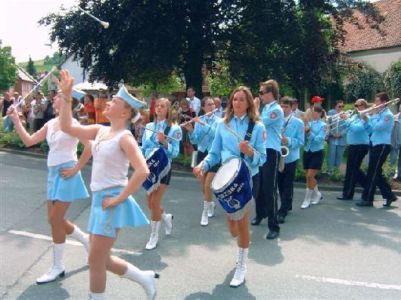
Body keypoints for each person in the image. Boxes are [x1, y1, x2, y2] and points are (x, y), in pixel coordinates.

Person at [57, 70, 158, 300]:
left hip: (110, 201)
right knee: (101, 258)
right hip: (99, 200)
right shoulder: (101, 130)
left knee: (95, 260)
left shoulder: (125, 137)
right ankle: (143, 277)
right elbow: (67, 127)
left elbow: (142, 171)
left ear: (124, 112)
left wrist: (118, 199)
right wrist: (65, 97)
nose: (109, 102)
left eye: (115, 100)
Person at [6, 87, 91, 285]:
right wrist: (17, 121)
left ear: (67, 101)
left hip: (67, 171)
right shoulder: (51, 124)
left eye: (58, 97)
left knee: (55, 219)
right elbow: (29, 141)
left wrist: (76, 168)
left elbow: (89, 147)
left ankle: (57, 266)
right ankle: (85, 239)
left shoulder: (73, 124)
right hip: (53, 173)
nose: (53, 100)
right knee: (54, 220)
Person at [193, 86, 266, 287]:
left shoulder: (257, 127)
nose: (237, 103)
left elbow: (263, 157)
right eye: (235, 99)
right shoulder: (223, 125)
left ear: (249, 103)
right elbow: (214, 152)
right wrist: (203, 165)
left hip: (249, 178)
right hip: (226, 180)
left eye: (242, 99)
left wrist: (249, 151)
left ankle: (242, 265)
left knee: (242, 222)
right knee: (232, 226)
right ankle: (240, 243)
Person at [141, 98, 182, 250]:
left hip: (164, 168)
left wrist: (164, 142)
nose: (159, 108)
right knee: (150, 203)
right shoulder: (149, 126)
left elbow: (175, 152)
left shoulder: (174, 129)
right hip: (149, 167)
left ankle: (153, 236)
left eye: (162, 106)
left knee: (156, 201)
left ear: (168, 110)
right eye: (157, 106)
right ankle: (166, 217)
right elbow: (144, 146)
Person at [253, 79, 284, 240]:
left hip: (271, 151)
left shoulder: (276, 110)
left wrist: (255, 108)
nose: (260, 95)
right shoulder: (266, 108)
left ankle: (274, 226)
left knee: (269, 189)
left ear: (270, 93)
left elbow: (260, 124)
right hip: (260, 151)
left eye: (262, 92)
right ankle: (260, 214)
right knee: (258, 185)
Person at [356, 92, 398, 207]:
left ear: (384, 102)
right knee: (376, 172)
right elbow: (370, 130)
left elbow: (377, 127)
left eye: (378, 101)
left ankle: (367, 199)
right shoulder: (378, 114)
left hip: (383, 146)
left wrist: (371, 116)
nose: (375, 104)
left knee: (372, 173)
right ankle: (389, 195)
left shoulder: (387, 115)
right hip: (375, 144)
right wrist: (365, 119)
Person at [184, 96, 221, 226]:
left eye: (213, 105)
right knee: (203, 184)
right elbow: (195, 140)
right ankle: (210, 203)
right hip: (201, 153)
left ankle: (205, 212)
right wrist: (191, 131)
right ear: (204, 108)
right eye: (209, 105)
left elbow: (215, 135)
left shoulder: (219, 121)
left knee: (207, 185)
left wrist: (202, 124)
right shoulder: (201, 120)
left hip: (214, 154)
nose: (212, 107)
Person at [277, 97, 304, 223]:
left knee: (287, 184)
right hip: (277, 156)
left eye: (286, 107)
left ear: (291, 107)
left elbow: (301, 141)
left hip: (291, 157)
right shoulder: (275, 121)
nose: (283, 109)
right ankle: (288, 204)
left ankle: (283, 210)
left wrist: (288, 140)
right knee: (280, 184)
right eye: (281, 106)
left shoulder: (298, 123)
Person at [337, 99, 370, 200]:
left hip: (360, 146)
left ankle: (348, 194)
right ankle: (368, 187)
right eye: (355, 105)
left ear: (363, 106)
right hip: (353, 145)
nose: (355, 107)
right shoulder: (355, 116)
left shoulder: (365, 117)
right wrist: (343, 119)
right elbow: (348, 127)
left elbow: (357, 129)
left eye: (358, 105)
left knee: (351, 170)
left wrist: (346, 119)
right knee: (354, 169)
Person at [301, 105, 327, 209]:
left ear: (320, 113)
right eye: (312, 112)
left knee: (310, 176)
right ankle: (317, 194)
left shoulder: (323, 125)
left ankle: (307, 200)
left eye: (316, 112)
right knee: (308, 176)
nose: (313, 114)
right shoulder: (309, 123)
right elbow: (303, 138)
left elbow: (319, 139)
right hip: (307, 151)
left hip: (317, 152)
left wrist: (309, 132)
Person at [327, 100, 347, 174]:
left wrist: (341, 134)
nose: (341, 108)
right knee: (331, 155)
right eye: (339, 106)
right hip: (332, 138)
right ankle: (330, 171)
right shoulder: (331, 113)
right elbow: (328, 124)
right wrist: (332, 133)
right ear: (335, 106)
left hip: (341, 139)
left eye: (343, 106)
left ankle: (336, 172)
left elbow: (347, 127)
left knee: (339, 155)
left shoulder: (346, 114)